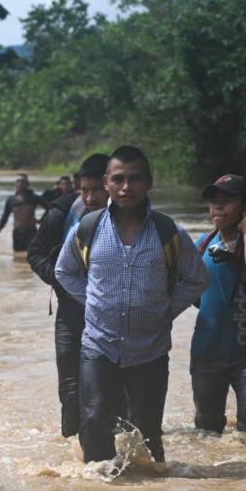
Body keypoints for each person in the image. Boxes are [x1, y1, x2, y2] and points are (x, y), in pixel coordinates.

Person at [54, 146, 208, 464]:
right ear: (106, 182)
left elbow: (197, 279)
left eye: (135, 179)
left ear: (149, 182)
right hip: (98, 346)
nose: (127, 187)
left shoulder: (169, 233)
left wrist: (166, 310)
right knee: (94, 423)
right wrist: (93, 302)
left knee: (148, 434)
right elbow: (63, 270)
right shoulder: (88, 229)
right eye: (119, 179)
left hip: (149, 350)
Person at [27, 154, 110, 440]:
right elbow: (35, 254)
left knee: (114, 385)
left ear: (109, 185)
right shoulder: (61, 212)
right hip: (70, 312)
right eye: (84, 190)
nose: (90, 198)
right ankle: (72, 449)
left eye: (96, 190)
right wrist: (62, 279)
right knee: (71, 386)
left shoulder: (132, 218)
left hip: (113, 314)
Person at [190, 174, 246, 434]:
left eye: (227, 200)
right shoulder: (203, 245)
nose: (218, 207)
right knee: (207, 431)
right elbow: (190, 294)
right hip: (206, 354)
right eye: (214, 201)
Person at [0, 174, 42, 252]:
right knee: (17, 255)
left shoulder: (34, 198)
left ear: (27, 184)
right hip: (17, 232)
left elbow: (49, 208)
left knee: (33, 253)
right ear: (15, 184)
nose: (20, 184)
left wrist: (41, 220)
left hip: (31, 231)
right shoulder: (11, 200)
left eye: (23, 182)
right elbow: (5, 215)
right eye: (18, 181)